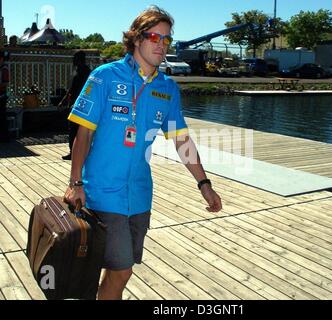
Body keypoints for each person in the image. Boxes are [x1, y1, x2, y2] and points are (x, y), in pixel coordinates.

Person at [63, 6, 222, 300]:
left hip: (139, 196)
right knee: (121, 270)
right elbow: (82, 135)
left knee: (118, 270)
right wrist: (75, 183)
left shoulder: (167, 88)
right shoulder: (105, 76)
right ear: (136, 39)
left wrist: (204, 184)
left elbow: (181, 141)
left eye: (166, 40)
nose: (161, 44)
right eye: (154, 37)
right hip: (101, 193)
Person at [59, 51, 91, 160]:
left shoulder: (86, 72)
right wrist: (64, 100)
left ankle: (77, 152)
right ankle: (73, 151)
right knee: (72, 129)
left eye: (75, 58)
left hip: (81, 104)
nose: (73, 60)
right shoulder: (77, 71)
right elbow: (71, 89)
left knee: (76, 129)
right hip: (74, 103)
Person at [0, 50, 10, 143]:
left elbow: (5, 83)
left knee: (2, 116)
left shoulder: (4, 69)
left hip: (1, 95)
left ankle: (4, 137)